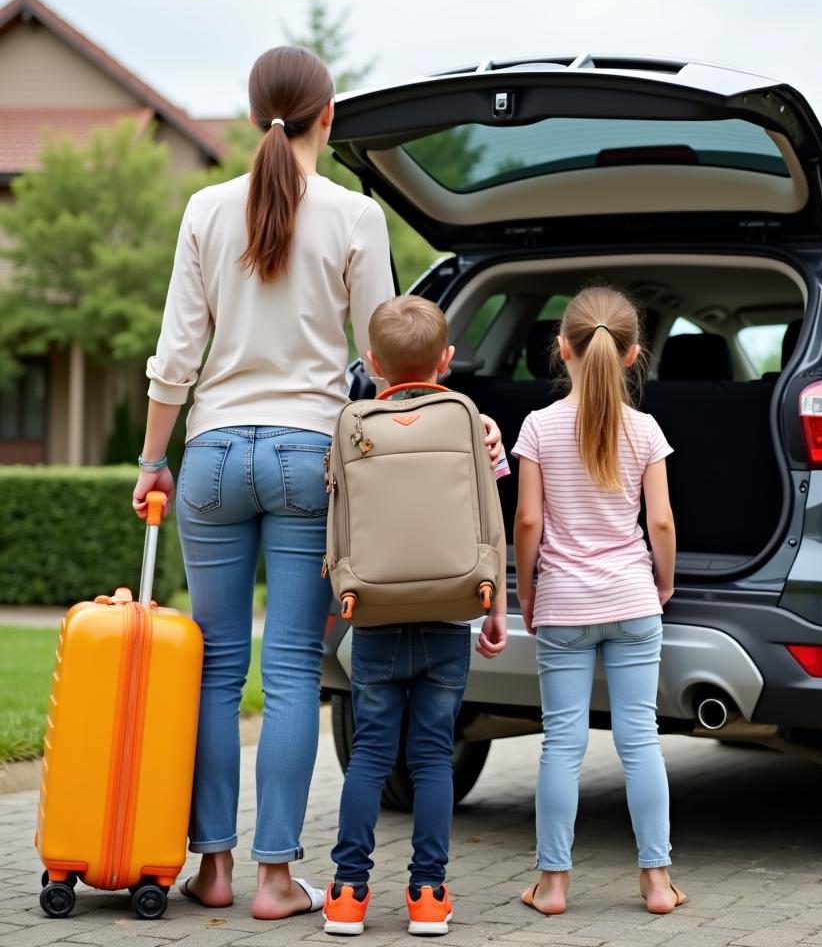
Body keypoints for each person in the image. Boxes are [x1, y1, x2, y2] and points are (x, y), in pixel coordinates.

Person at [132, 48, 502, 920]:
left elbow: (175, 358)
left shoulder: (204, 209)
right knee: (295, 668)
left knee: (217, 669)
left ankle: (212, 869)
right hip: (309, 456)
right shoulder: (353, 215)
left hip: (215, 454)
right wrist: (458, 423)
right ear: (326, 118)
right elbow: (387, 358)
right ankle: (272, 882)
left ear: (253, 110)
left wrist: (154, 459)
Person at [321, 295, 509, 938]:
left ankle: (347, 894)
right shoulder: (469, 421)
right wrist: (495, 607)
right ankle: (428, 894)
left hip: (371, 614)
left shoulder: (353, 422)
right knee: (432, 757)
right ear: (447, 361)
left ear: (372, 363)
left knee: (370, 754)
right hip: (450, 613)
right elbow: (491, 518)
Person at [512, 286, 685, 916]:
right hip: (632, 598)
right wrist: (660, 583)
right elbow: (661, 523)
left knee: (562, 742)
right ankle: (658, 883)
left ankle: (553, 886)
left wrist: (527, 593)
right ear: (635, 353)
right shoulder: (645, 430)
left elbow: (527, 522)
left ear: (561, 349)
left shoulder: (537, 426)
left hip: (562, 603)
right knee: (640, 739)